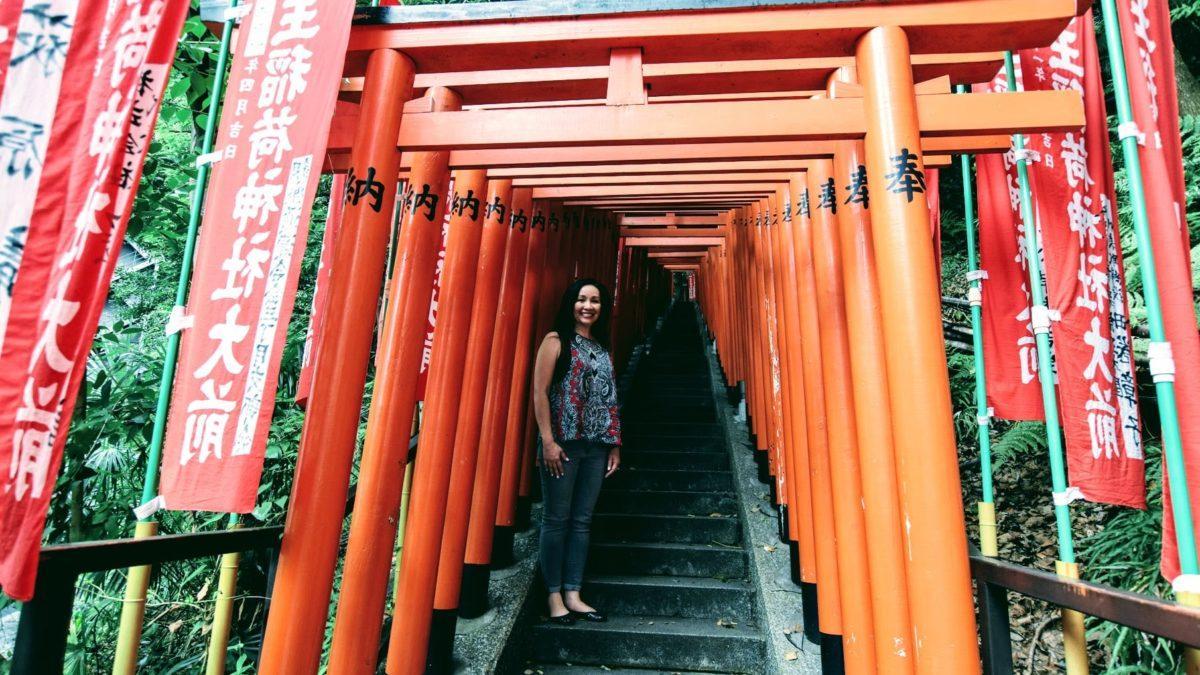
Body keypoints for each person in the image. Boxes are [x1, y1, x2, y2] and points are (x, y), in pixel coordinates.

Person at [531, 278, 622, 625]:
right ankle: (554, 597)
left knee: (582, 521)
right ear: (571, 303)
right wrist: (548, 441)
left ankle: (573, 593)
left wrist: (614, 444)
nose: (588, 306)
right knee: (556, 518)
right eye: (582, 299)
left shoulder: (601, 347)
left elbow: (609, 399)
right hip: (563, 444)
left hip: (596, 445)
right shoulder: (556, 341)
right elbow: (539, 392)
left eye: (595, 301)